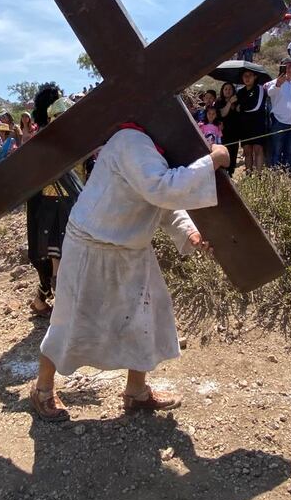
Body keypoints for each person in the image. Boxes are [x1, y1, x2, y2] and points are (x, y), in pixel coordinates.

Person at [30, 126, 230, 420]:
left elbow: (159, 200)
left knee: (145, 317)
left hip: (131, 246)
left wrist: (190, 232)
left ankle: (137, 392)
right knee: (70, 317)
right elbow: (163, 188)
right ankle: (42, 391)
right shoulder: (131, 140)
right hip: (91, 244)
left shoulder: (152, 147)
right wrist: (214, 160)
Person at [26, 84, 84, 318]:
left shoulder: (77, 139)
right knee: (58, 257)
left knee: (66, 258)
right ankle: (62, 314)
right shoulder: (47, 142)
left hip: (73, 203)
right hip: (52, 206)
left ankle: (45, 302)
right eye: (60, 116)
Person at [266, 60, 291, 172]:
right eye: (285, 67)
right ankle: (275, 176)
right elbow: (269, 93)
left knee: (290, 151)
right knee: (276, 151)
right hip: (278, 121)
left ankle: (287, 175)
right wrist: (278, 84)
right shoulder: (274, 83)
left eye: (290, 67)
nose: (288, 70)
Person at [235, 69, 268, 172]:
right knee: (247, 150)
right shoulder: (240, 92)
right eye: (245, 76)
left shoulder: (260, 89)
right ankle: (249, 176)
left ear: (255, 77)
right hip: (244, 126)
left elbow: (255, 106)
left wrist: (242, 107)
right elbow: (236, 108)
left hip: (258, 125)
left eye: (250, 75)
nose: (247, 78)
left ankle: (258, 177)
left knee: (258, 149)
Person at [216, 82, 240, 177]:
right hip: (223, 133)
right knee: (224, 152)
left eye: (230, 89)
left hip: (234, 132)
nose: (228, 91)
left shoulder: (236, 101)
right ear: (222, 91)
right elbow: (222, 113)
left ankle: (231, 172)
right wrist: (229, 103)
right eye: (225, 89)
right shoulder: (219, 102)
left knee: (233, 153)